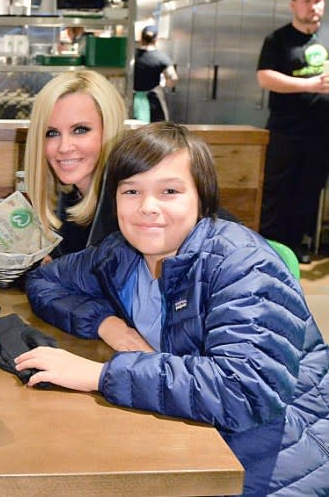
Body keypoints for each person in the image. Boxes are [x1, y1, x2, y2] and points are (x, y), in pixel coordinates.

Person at [20, 122, 329, 495]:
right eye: (131, 191)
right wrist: (108, 325)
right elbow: (45, 281)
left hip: (278, 457)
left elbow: (246, 391)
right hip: (189, 436)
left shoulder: (241, 263)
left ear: (202, 198)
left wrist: (101, 375)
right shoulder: (120, 255)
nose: (148, 208)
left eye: (169, 191)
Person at [256, 0, 329, 264]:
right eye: (307, 0)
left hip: (322, 132)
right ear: (293, 5)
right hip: (286, 130)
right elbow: (265, 78)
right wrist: (310, 85)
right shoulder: (278, 40)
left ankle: (296, 244)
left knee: (309, 189)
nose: (313, 6)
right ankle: (270, 247)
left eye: (318, 0)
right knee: (277, 189)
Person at [22, 70, 127, 258]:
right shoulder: (69, 195)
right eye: (52, 133)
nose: (64, 147)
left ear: (109, 128)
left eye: (80, 130)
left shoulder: (126, 205)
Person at [133, 25, 178, 123]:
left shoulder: (132, 56)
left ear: (142, 39)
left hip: (132, 99)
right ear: (155, 39)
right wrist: (166, 84)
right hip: (153, 100)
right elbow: (173, 77)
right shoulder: (161, 57)